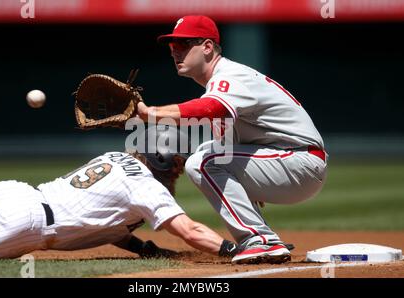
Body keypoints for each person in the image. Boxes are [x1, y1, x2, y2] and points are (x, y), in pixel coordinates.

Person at [137, 15, 327, 264]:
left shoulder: (231, 76)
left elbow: (210, 108)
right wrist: (247, 178)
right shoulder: (220, 82)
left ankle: (258, 240)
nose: (175, 52)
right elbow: (227, 141)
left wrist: (151, 113)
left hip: (299, 160)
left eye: (183, 44)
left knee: (202, 162)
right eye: (173, 47)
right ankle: (265, 239)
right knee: (212, 151)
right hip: (288, 160)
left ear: (207, 47)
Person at [0, 127, 239, 260]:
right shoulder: (146, 185)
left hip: (15, 193)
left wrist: (143, 249)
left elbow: (105, 219)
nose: (179, 169)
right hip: (25, 223)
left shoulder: (114, 156)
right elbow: (188, 230)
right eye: (177, 161)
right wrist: (233, 249)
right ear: (163, 159)